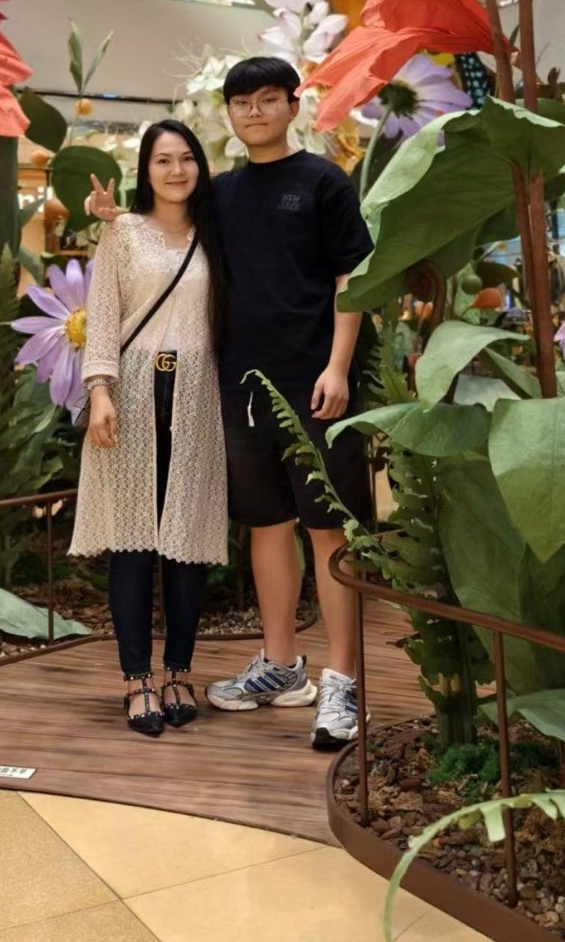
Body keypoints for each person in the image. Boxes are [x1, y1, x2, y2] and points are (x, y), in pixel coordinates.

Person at [88, 56, 373, 750]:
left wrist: (339, 366)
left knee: (328, 530)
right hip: (239, 390)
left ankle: (343, 680)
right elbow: (166, 230)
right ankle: (281, 665)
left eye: (268, 99)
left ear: (293, 106)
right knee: (267, 526)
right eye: (241, 102)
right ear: (229, 114)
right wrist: (114, 218)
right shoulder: (224, 193)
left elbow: (352, 278)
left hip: (316, 384)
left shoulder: (324, 182)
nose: (254, 112)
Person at [72, 119, 228, 738]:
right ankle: (137, 680)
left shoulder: (216, 233)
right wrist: (100, 390)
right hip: (133, 392)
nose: (176, 170)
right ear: (145, 170)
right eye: (163, 160)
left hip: (198, 397)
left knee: (187, 540)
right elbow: (104, 315)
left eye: (186, 158)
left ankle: (178, 673)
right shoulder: (123, 232)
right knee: (133, 541)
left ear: (200, 166)